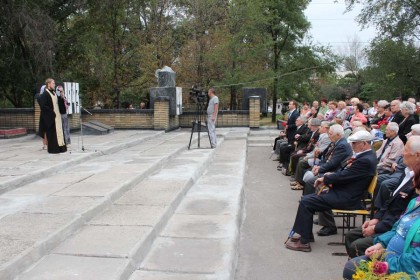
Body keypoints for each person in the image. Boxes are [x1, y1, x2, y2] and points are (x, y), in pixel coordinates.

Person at [284, 130, 376, 252]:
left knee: (306, 202)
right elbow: (347, 174)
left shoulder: (365, 159)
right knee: (308, 200)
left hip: (347, 197)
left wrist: (326, 178)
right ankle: (306, 235)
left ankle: (304, 241)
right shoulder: (367, 156)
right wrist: (330, 175)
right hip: (346, 193)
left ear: (364, 144)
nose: (352, 146)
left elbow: (345, 176)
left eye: (355, 143)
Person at [343, 160, 420, 279]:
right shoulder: (415, 202)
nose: (413, 182)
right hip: (391, 256)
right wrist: (381, 244)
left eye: (415, 178)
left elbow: (417, 260)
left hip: (404, 268)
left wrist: (388, 266)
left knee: (352, 268)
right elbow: (397, 228)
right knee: (351, 266)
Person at [345, 136, 420, 259]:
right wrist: (376, 219)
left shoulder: (416, 182)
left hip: (393, 228)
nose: (402, 153)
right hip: (386, 223)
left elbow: (402, 217)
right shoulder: (407, 173)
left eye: (406, 150)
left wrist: (376, 228)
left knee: (357, 246)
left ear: (417, 155)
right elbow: (390, 201)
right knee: (351, 235)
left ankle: (361, 268)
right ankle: (356, 267)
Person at [38, 78, 67, 154]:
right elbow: (44, 106)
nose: (54, 85)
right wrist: (52, 114)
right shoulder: (45, 94)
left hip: (57, 117)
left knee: (59, 132)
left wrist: (61, 97)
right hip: (51, 118)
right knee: (53, 134)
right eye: (53, 83)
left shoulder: (54, 93)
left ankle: (61, 147)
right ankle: (53, 149)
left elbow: (58, 103)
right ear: (49, 84)